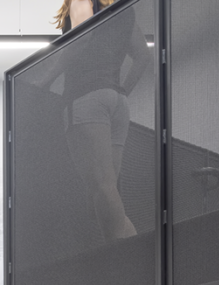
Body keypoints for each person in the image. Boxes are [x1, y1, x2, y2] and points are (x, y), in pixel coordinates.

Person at [52, 0, 153, 242]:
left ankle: (118, 260)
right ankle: (132, 252)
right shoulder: (123, 10)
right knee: (105, 191)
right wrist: (122, 91)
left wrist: (44, 81)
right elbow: (143, 56)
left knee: (102, 187)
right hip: (117, 102)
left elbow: (79, 43)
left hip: (86, 98)